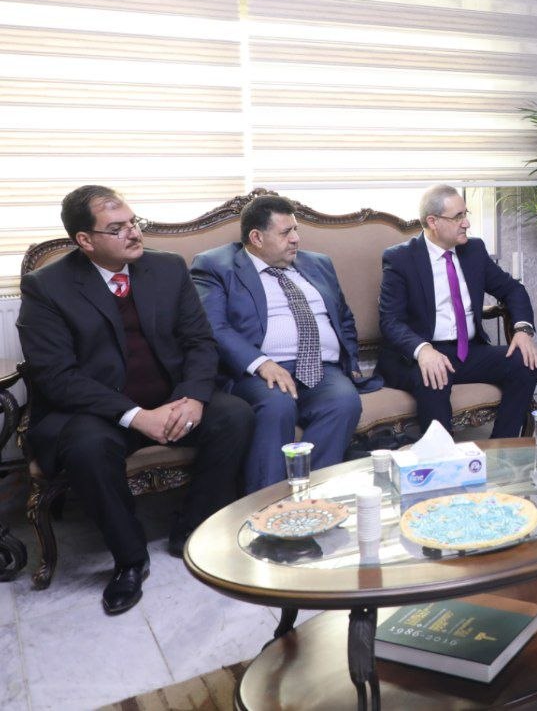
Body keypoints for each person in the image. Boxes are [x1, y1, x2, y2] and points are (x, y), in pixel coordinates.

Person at [17, 186, 252, 615]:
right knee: (87, 448)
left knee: (234, 415)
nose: (133, 233)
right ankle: (129, 560)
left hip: (170, 397)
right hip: (99, 411)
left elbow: (199, 342)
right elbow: (56, 376)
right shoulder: (46, 287)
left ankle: (191, 529)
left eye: (133, 222)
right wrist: (135, 416)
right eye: (117, 228)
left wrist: (193, 397)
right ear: (85, 240)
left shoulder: (167, 268)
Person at [191, 195, 376, 493]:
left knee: (344, 401)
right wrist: (260, 363)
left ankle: (313, 496)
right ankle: (266, 502)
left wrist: (350, 362)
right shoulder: (216, 266)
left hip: (322, 369)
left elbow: (343, 317)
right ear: (256, 237)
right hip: (259, 371)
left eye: (296, 230)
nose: (295, 239)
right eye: (286, 232)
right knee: (276, 405)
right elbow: (214, 326)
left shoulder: (319, 263)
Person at [377, 184, 537, 438]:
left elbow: (512, 289)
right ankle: (443, 456)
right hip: (419, 355)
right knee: (435, 374)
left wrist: (522, 330)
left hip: (467, 351)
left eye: (466, 214)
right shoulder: (401, 259)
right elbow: (390, 321)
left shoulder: (473, 250)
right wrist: (423, 350)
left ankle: (501, 449)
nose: (467, 223)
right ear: (433, 222)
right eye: (458, 217)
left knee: (524, 361)